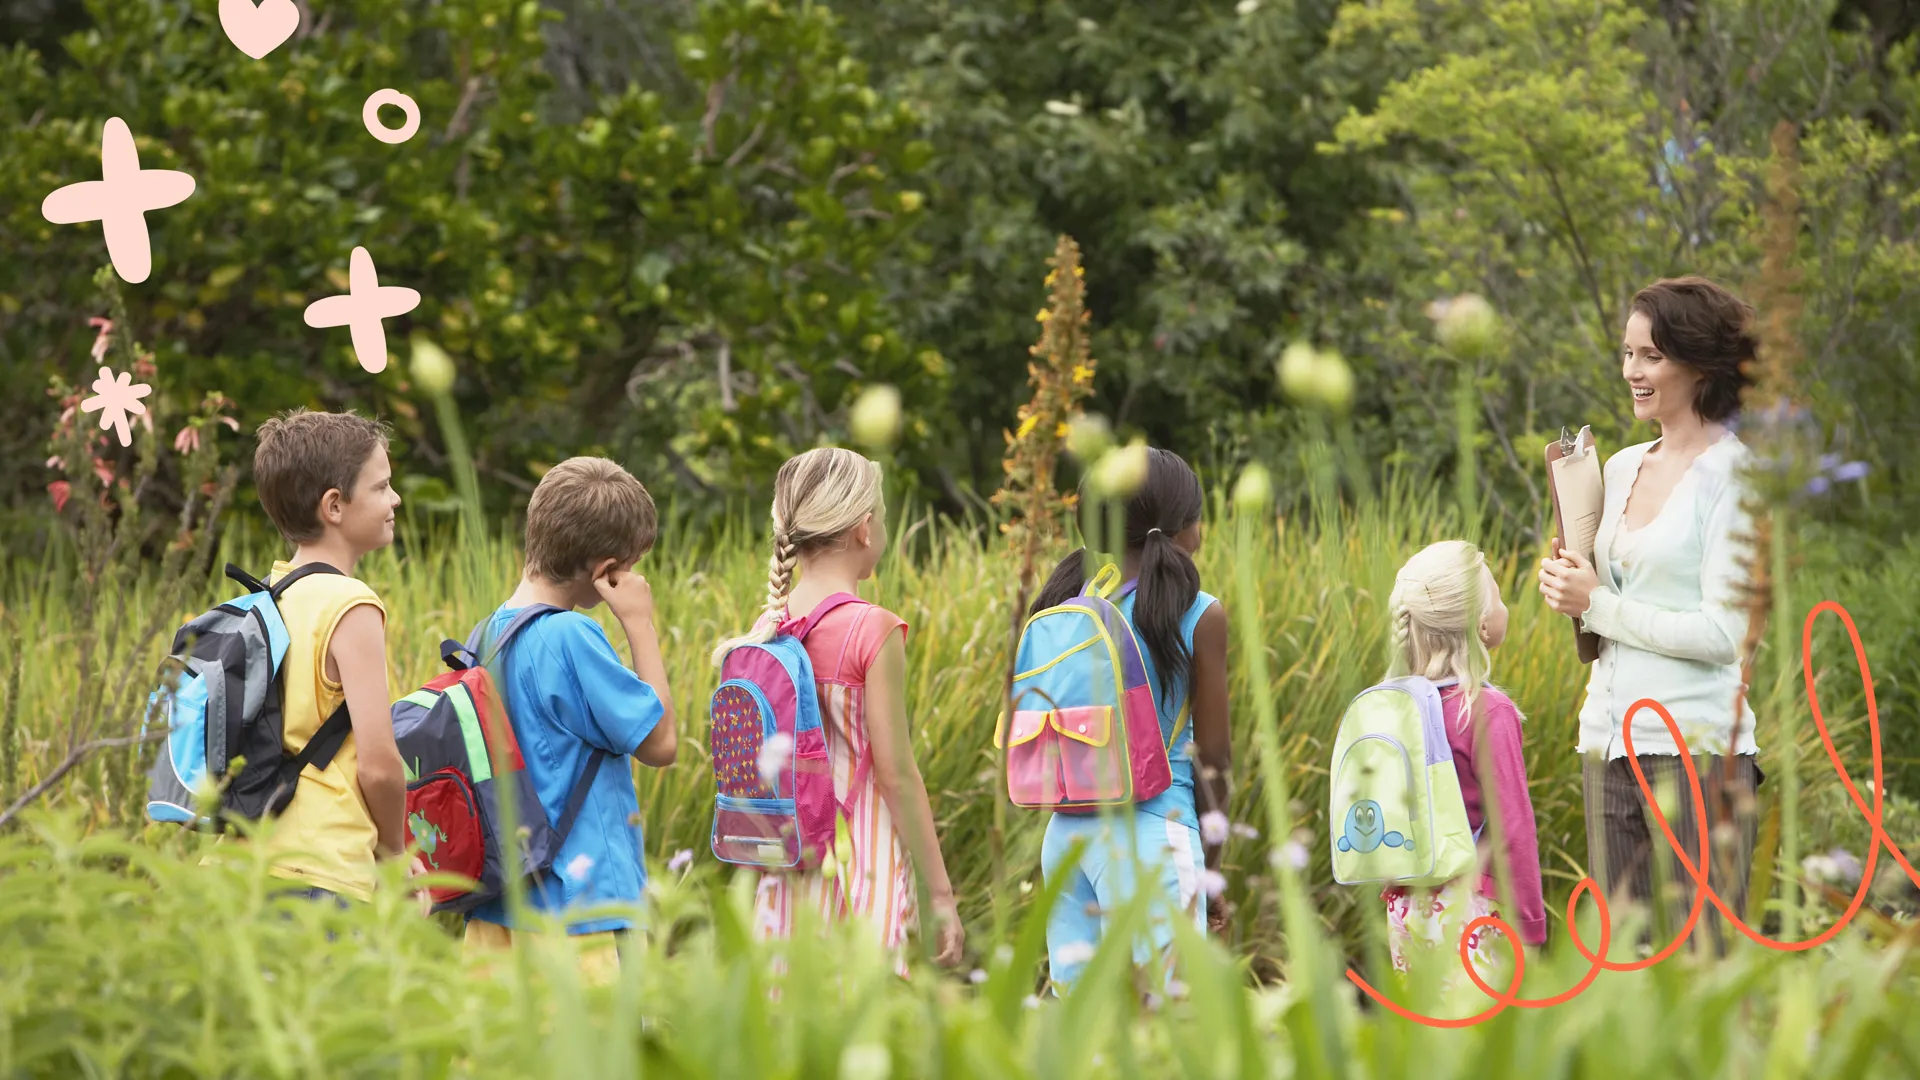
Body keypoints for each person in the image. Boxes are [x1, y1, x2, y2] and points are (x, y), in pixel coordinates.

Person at [1538, 275, 1762, 954]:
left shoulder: (1737, 477)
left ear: (1700, 365)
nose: (1633, 371)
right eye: (1628, 354)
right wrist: (1570, 582)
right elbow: (1609, 602)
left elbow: (1724, 635)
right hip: (1607, 743)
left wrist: (1599, 604)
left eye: (1651, 356)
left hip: (1697, 753)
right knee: (1625, 978)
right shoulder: (1623, 465)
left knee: (1706, 968)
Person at [712, 447, 964, 975]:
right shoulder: (873, 628)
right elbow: (895, 774)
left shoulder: (768, 628)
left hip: (785, 864)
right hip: (860, 866)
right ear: (865, 529)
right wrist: (940, 894)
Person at [462, 457, 678, 980]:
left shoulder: (484, 636)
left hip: (499, 904)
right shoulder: (570, 637)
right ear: (606, 570)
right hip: (582, 914)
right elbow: (661, 743)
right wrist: (639, 624)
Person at [1030, 448, 1232, 994]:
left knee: (1080, 1022)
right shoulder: (1197, 612)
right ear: (1183, 530)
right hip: (1153, 834)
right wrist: (1211, 875)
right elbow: (1214, 759)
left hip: (1066, 835)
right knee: (1166, 1024)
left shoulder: (1068, 600)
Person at [247, 408, 410, 905]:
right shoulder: (350, 605)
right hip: (323, 867)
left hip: (245, 859)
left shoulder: (269, 597)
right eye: (381, 487)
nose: (395, 498)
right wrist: (395, 855)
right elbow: (379, 765)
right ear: (334, 505)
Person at [1380, 541, 1545, 995]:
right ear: (1480, 622)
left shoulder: (1394, 704)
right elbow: (1514, 829)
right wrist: (1530, 927)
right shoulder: (1486, 710)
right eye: (1497, 594)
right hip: (1471, 912)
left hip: (1404, 907)